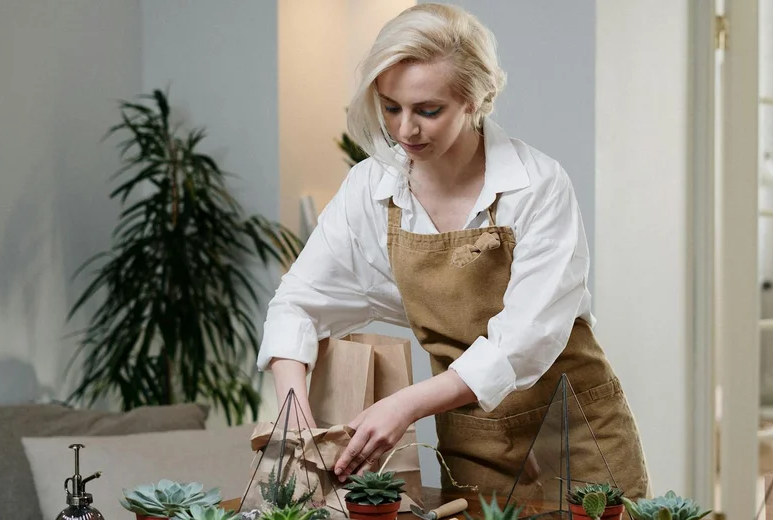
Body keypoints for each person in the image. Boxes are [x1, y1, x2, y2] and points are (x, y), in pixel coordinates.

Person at [256, 2, 649, 499]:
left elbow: (523, 343)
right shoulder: (371, 189)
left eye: (428, 110)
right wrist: (297, 421)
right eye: (391, 107)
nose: (405, 130)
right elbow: (298, 303)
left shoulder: (536, 185)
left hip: (576, 431)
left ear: (476, 100)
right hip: (472, 441)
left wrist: (404, 405)